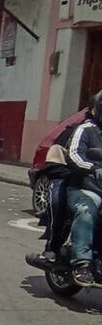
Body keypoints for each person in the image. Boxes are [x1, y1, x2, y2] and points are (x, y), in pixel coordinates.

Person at [63, 91, 102, 284]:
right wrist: (93, 168)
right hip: (86, 188)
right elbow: (74, 154)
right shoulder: (86, 129)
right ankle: (82, 264)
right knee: (88, 210)